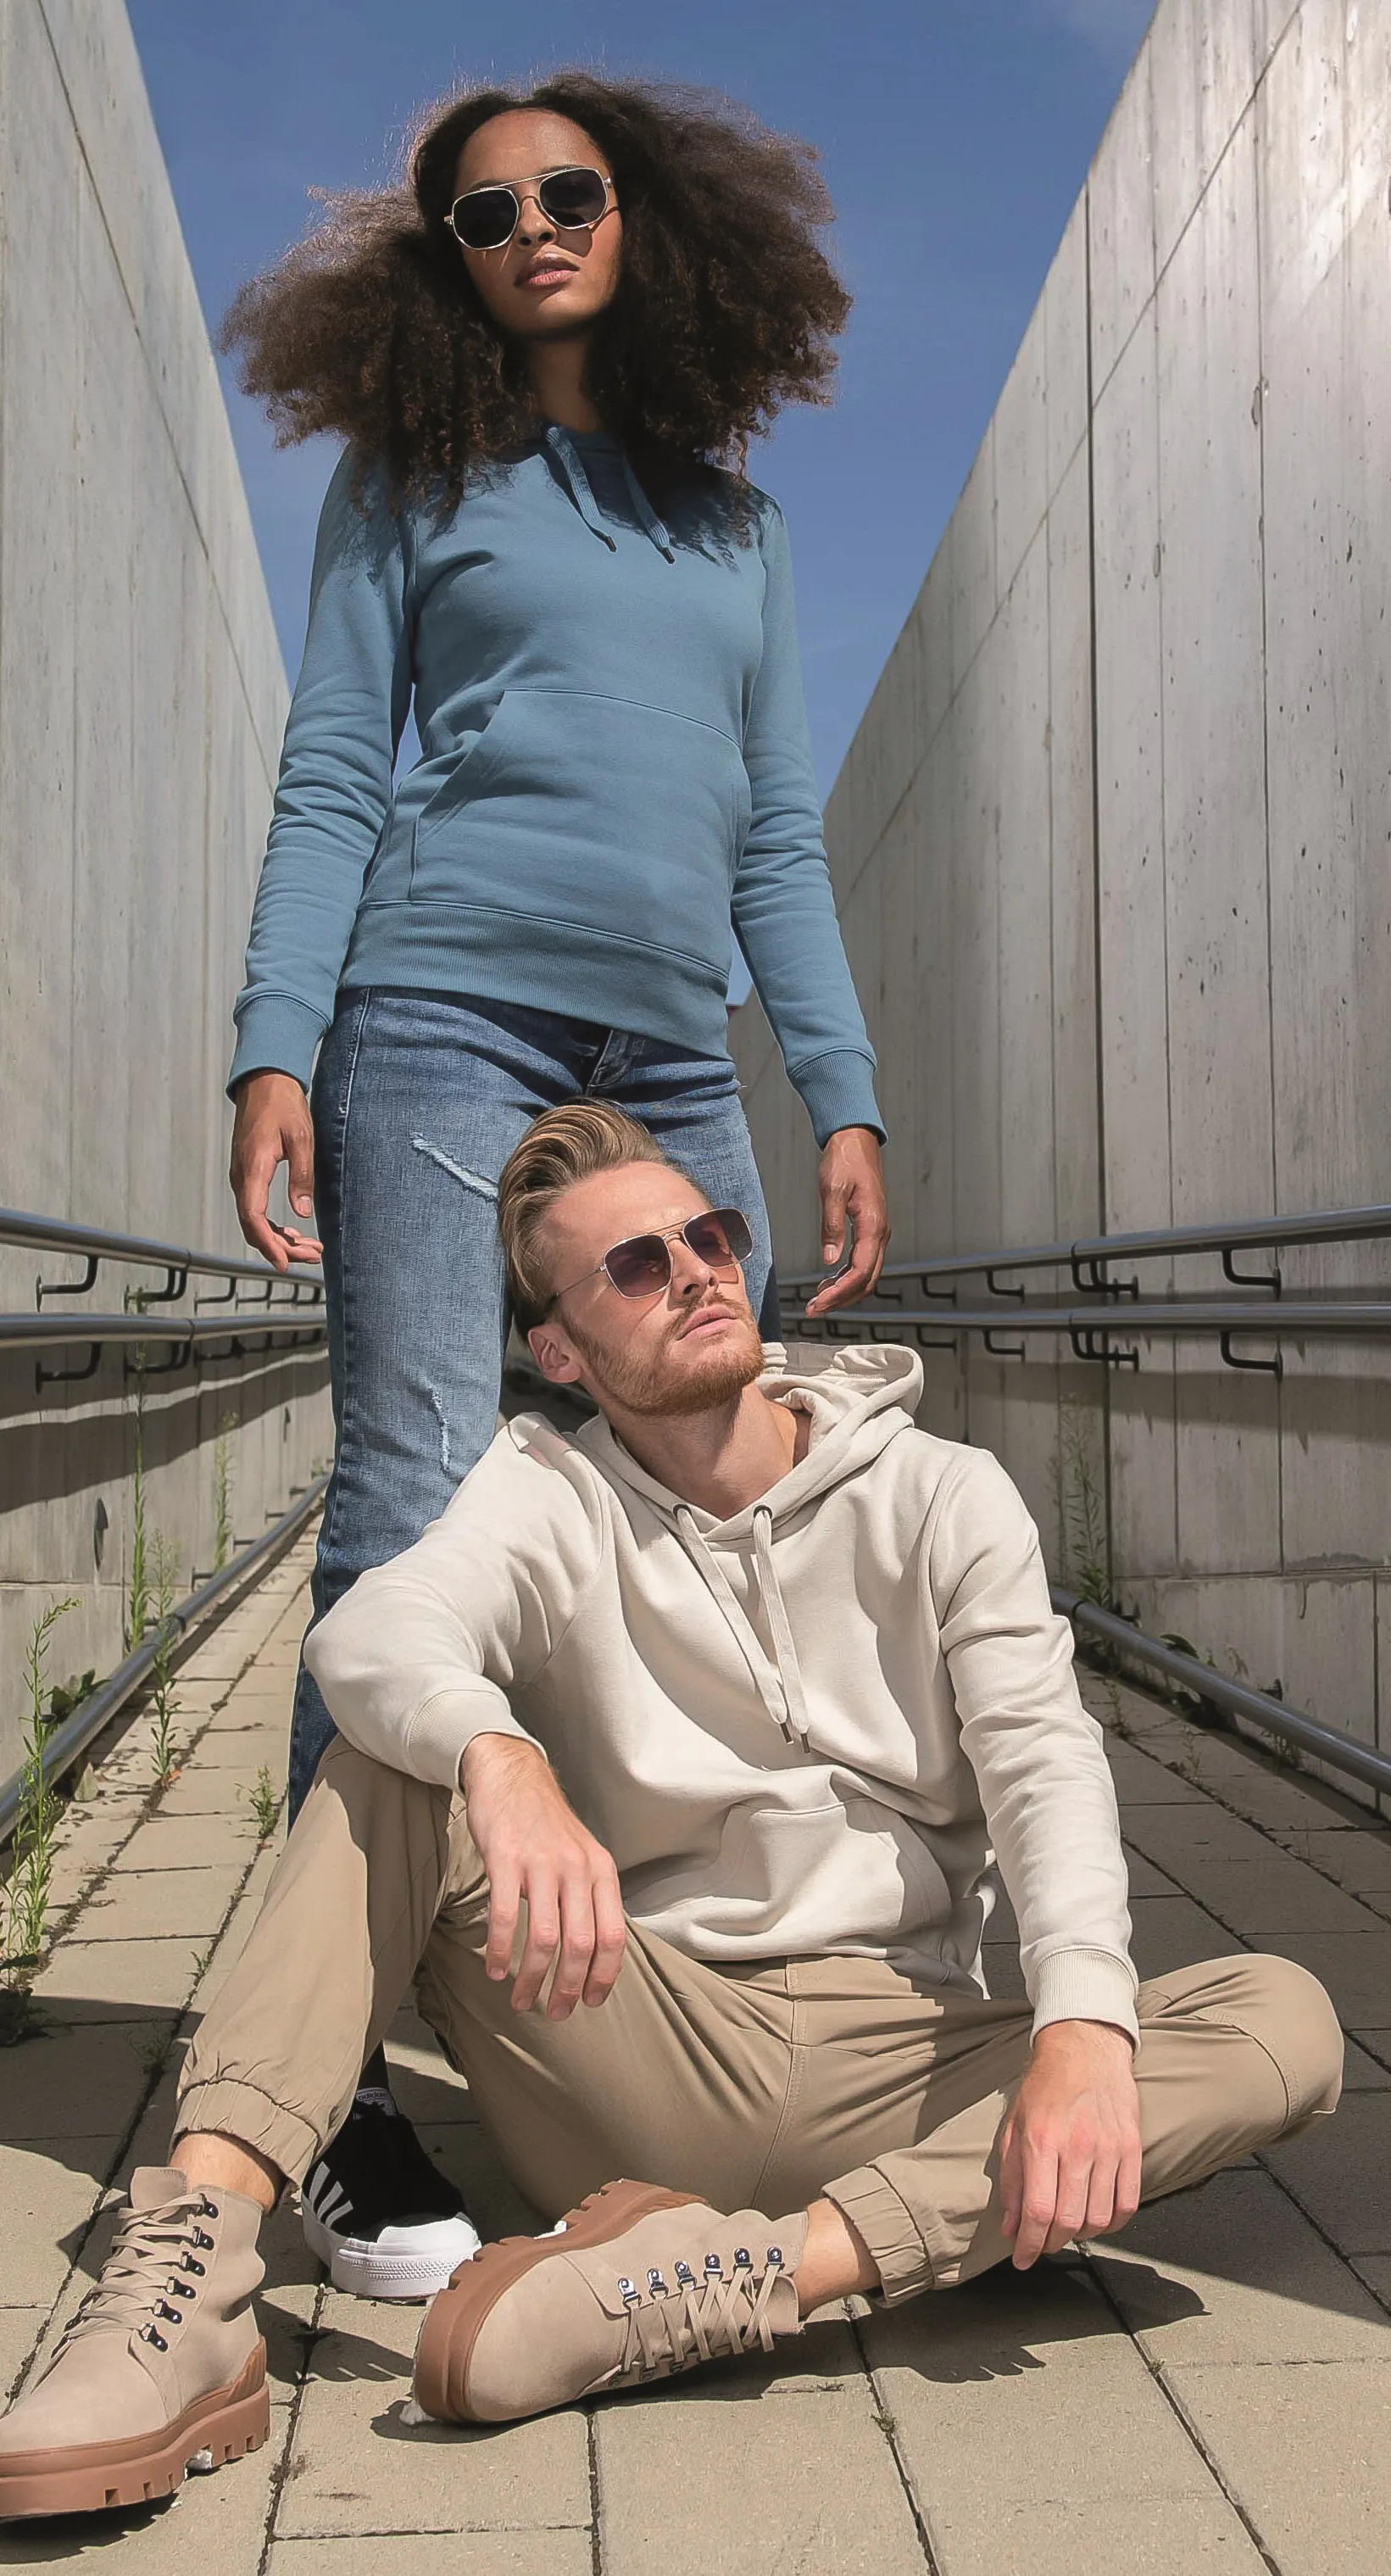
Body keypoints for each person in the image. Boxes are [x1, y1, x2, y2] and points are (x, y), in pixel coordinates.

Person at [0, 1106, 1342, 2517]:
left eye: (711, 1236)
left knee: (1285, 2020)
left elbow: (1045, 1763)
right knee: (394, 1760)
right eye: (636, 1264)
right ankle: (185, 2289)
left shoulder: (943, 1493)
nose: (697, 1269)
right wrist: (499, 1755)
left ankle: (752, 2275)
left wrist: (1077, 2027)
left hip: (905, 2058)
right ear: (560, 1349)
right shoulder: (550, 1486)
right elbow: (377, 1628)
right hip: (639, 2043)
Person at [220, 73, 891, 2291]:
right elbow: (337, 770)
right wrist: (274, 1039)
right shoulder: (413, 478)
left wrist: (842, 1091)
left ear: (647, 219)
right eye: (484, 210)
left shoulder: (738, 532)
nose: (531, 227)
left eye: (569, 192)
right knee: (413, 1498)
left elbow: (774, 835)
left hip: (670, 1055)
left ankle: (655, 2003)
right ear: (448, 256)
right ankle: (322, 2094)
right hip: (436, 1015)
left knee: (706, 1496)